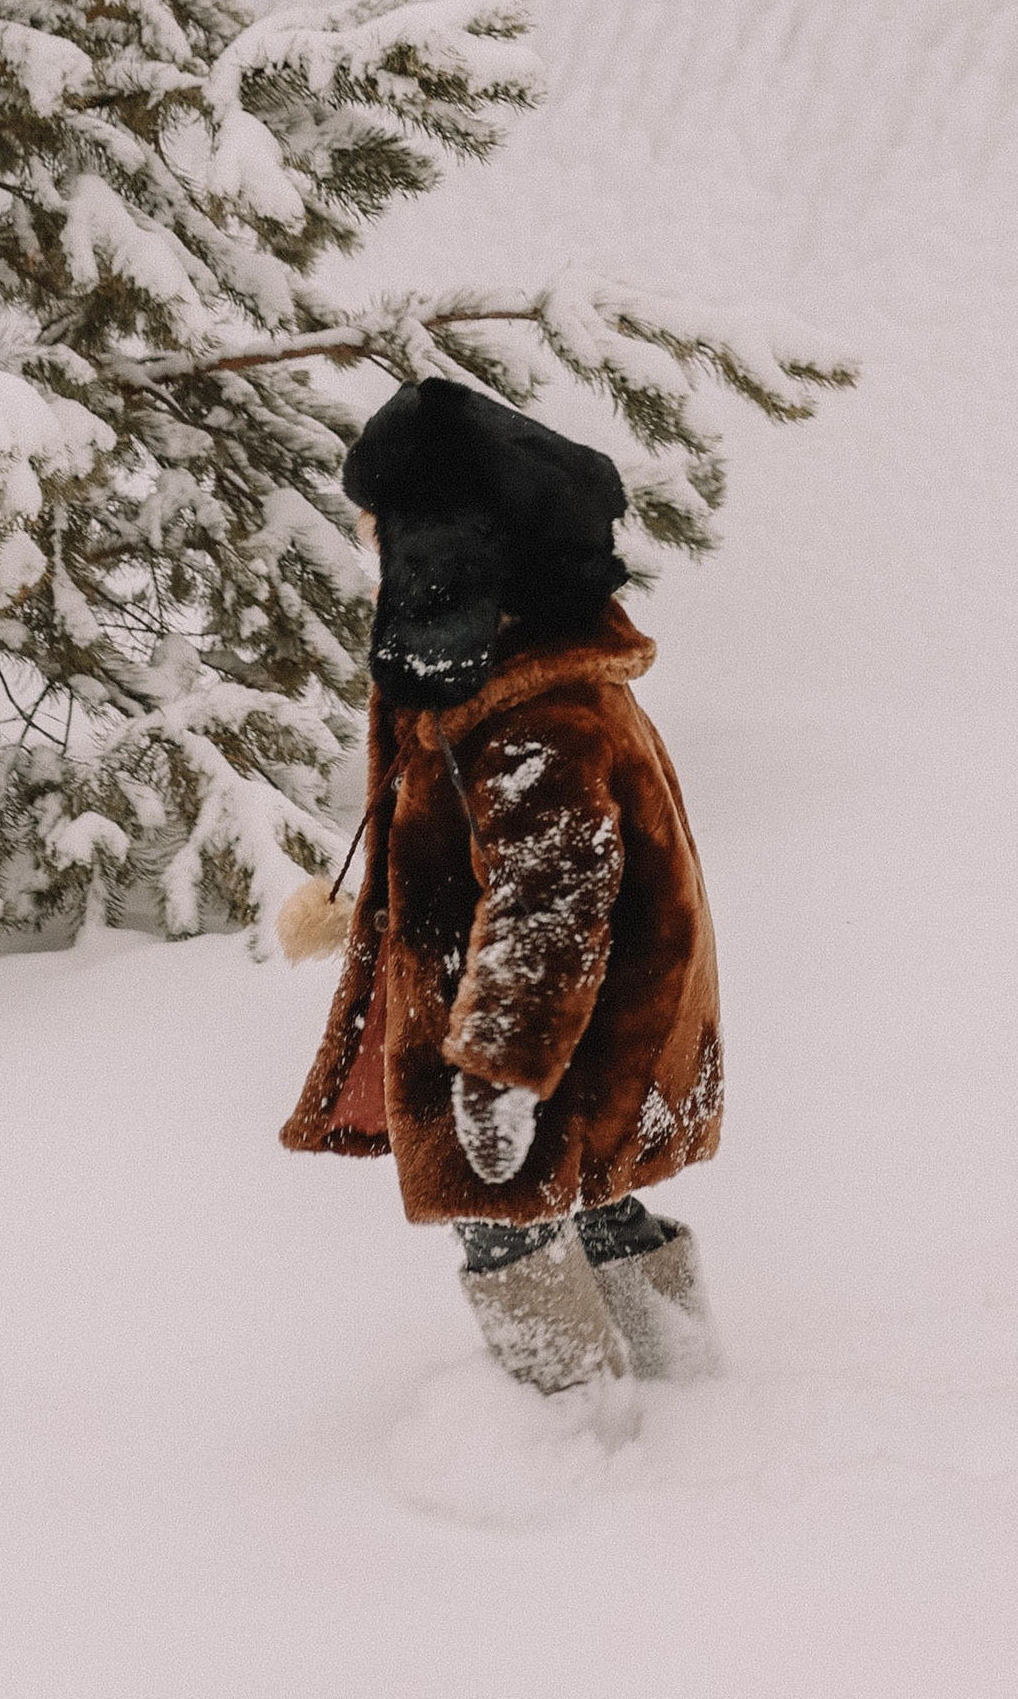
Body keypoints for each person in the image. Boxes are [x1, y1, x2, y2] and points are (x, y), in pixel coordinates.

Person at [281, 378, 723, 1393]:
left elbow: (550, 907)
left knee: (506, 1223)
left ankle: (564, 1425)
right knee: (594, 1197)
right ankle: (677, 1381)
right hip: (573, 1027)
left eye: (380, 526)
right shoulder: (496, 670)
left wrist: (499, 1073)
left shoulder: (535, 716)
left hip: (553, 1036)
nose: (369, 547)